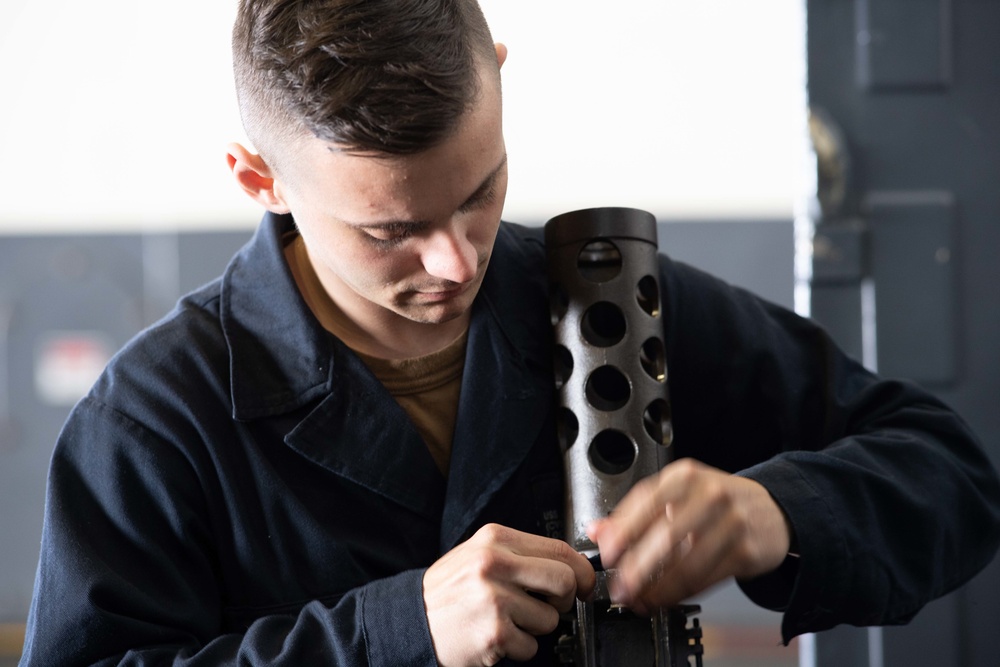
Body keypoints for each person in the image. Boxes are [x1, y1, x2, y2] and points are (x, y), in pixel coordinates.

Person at [19, 0, 1000, 665]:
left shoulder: (607, 302)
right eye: (389, 230)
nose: (457, 262)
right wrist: (396, 634)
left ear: (496, 74)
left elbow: (949, 473)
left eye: (481, 189)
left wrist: (769, 513)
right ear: (258, 178)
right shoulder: (152, 422)